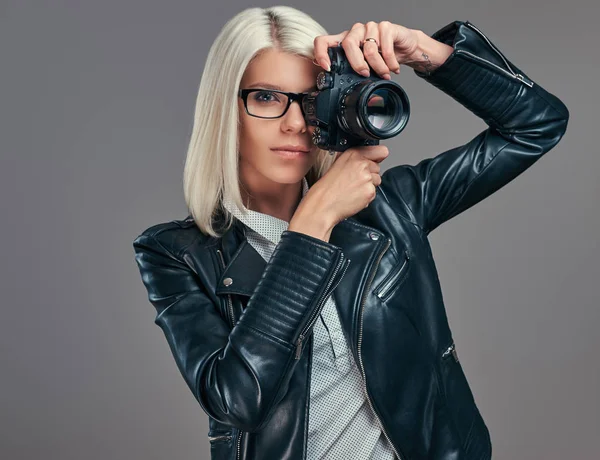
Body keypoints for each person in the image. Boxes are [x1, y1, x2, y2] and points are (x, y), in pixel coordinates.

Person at [132, 6, 569, 460]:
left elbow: (536, 125)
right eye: (266, 98)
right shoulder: (174, 253)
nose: (295, 124)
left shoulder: (389, 207)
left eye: (310, 99)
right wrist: (310, 225)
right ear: (227, 109)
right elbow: (239, 399)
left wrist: (423, 51)